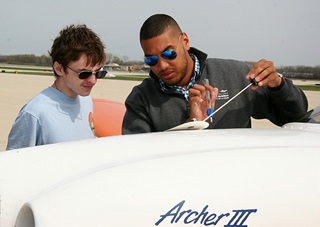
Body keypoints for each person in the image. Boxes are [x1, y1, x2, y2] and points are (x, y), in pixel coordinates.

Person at [122, 14, 308, 134]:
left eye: (169, 53)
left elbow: (295, 117)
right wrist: (191, 125)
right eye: (151, 60)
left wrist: (279, 86)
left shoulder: (236, 74)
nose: (162, 65)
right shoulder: (141, 99)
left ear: (185, 41)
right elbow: (137, 160)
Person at [6, 24, 107, 150]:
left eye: (98, 73)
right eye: (84, 74)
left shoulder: (86, 101)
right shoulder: (35, 113)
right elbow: (14, 165)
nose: (93, 81)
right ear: (59, 69)